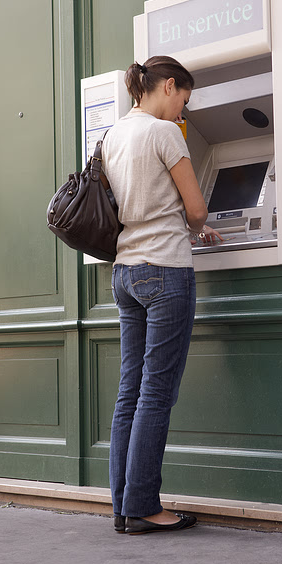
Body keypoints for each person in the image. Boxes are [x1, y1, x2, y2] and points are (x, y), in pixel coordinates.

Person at [103, 55, 222, 535]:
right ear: (168, 86)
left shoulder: (113, 134)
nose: (182, 114)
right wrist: (200, 227)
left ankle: (123, 505)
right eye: (184, 102)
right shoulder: (164, 133)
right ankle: (146, 507)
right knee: (156, 392)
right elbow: (196, 209)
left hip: (125, 272)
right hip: (165, 270)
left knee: (129, 390)